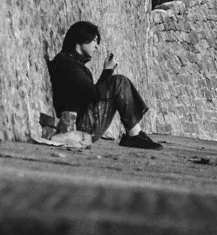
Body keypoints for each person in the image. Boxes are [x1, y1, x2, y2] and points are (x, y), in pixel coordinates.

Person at [47, 20, 162, 149]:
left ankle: (135, 133)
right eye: (94, 40)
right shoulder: (67, 63)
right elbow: (95, 95)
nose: (97, 46)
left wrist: (108, 72)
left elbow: (92, 94)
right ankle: (134, 135)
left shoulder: (72, 63)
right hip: (78, 127)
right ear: (80, 39)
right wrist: (107, 71)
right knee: (118, 81)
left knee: (119, 81)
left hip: (83, 123)